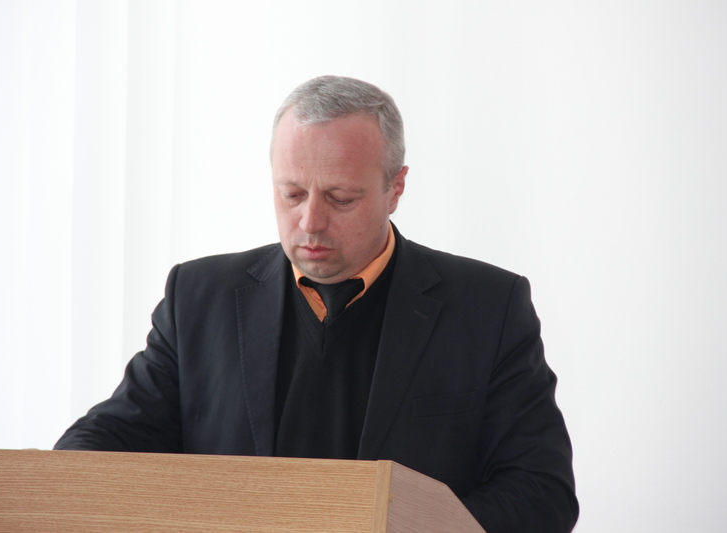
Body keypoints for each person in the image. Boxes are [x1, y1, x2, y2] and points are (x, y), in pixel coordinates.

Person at [55, 75, 579, 532]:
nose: (310, 222)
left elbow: (541, 491)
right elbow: (107, 440)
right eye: (291, 194)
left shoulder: (489, 307)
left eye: (340, 198)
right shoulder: (197, 296)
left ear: (395, 188)